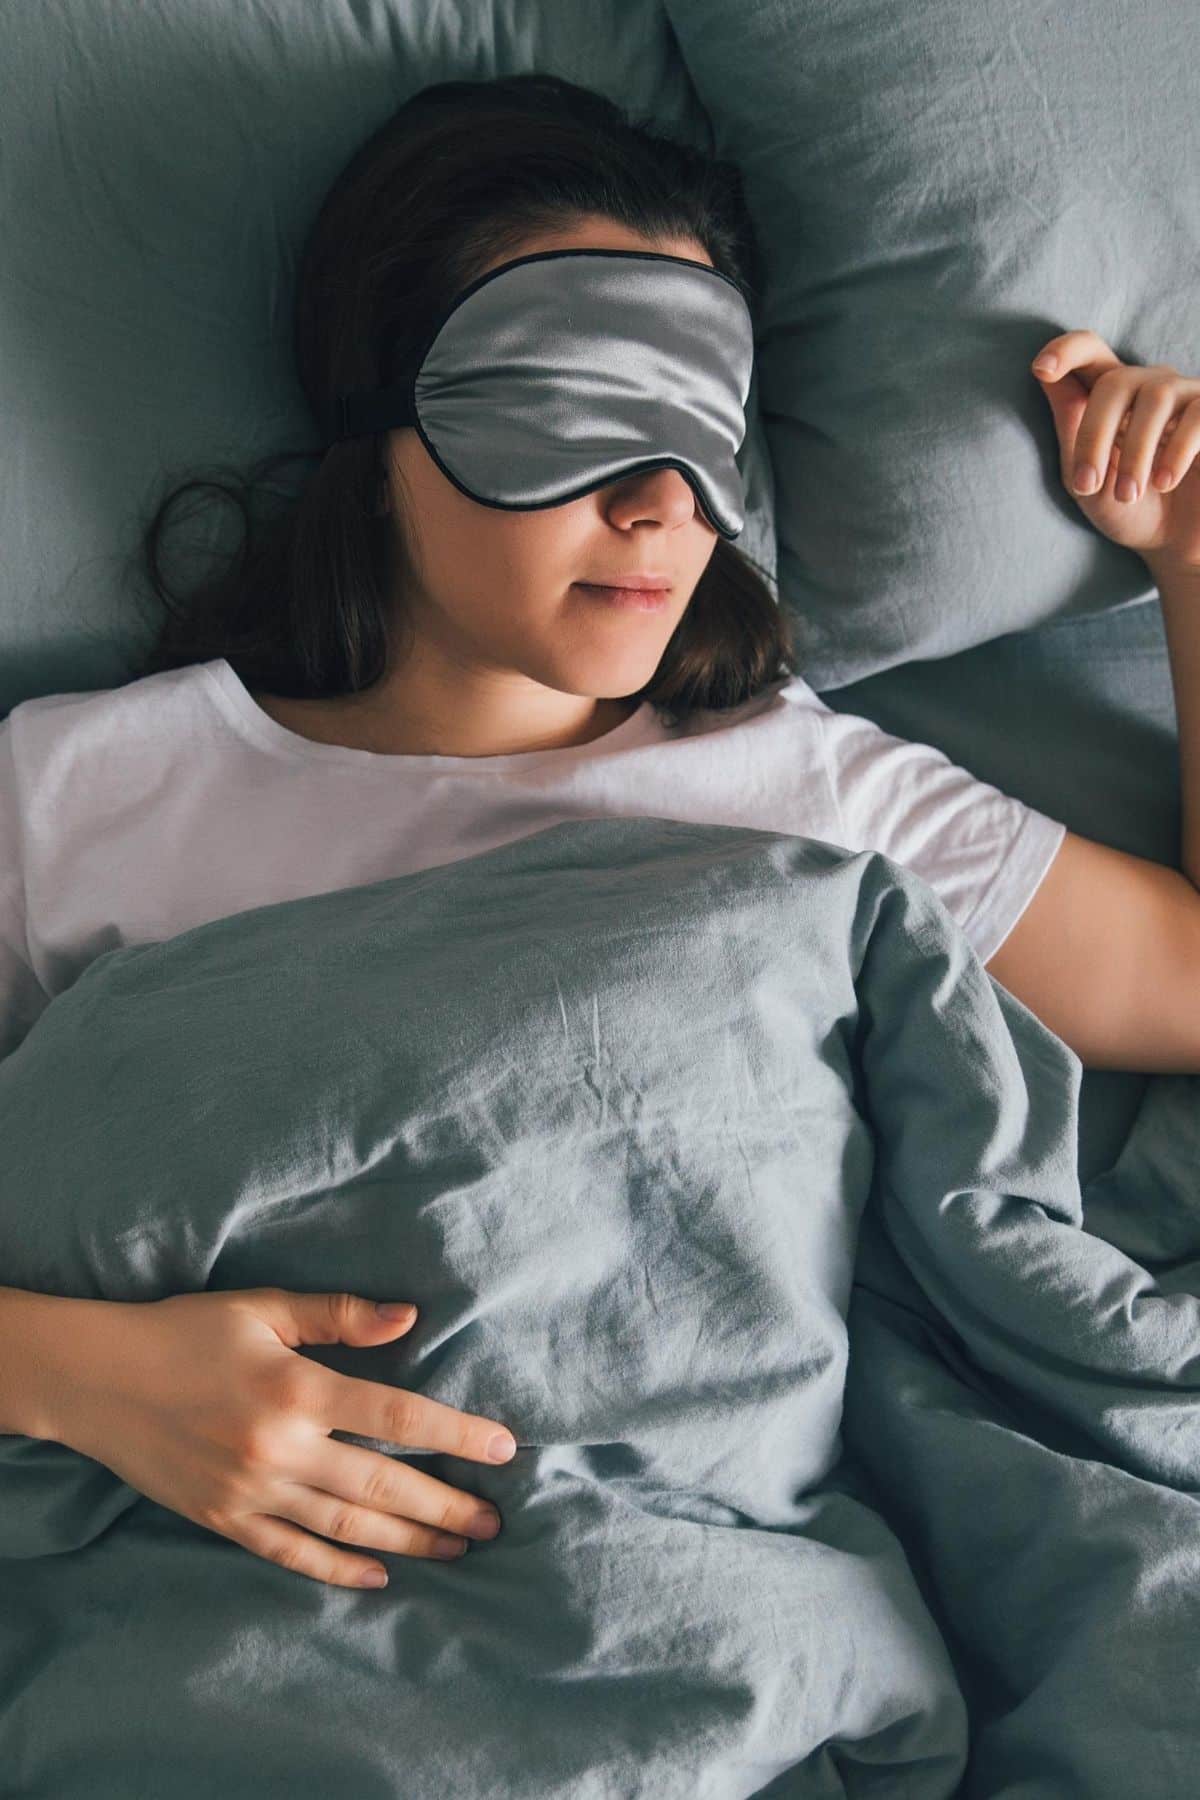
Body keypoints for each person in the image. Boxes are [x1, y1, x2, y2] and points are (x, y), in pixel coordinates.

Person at [1, 70, 1197, 1600]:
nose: (658, 502)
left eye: (700, 418)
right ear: (383, 422)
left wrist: (1194, 556)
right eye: (570, 405)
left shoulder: (808, 795)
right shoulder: (74, 795)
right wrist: (80, 1374)